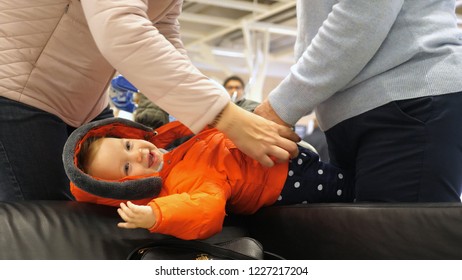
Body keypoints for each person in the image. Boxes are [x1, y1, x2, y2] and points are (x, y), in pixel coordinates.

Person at [0, 0, 299, 201]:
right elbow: (119, 26)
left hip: (84, 103)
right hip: (18, 92)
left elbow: (162, 27)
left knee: (113, 214)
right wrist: (225, 116)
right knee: (46, 228)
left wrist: (209, 117)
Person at [254, 0, 462, 202]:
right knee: (363, 234)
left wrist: (280, 107)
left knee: (398, 235)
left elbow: (366, 11)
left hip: (410, 96)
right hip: (363, 110)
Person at [64, 118, 353, 240]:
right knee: (353, 189)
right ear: (127, 188)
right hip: (286, 180)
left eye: (127, 146)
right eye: (126, 169)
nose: (137, 155)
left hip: (278, 155)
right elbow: (205, 211)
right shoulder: (175, 188)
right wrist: (156, 215)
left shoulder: (171, 143)